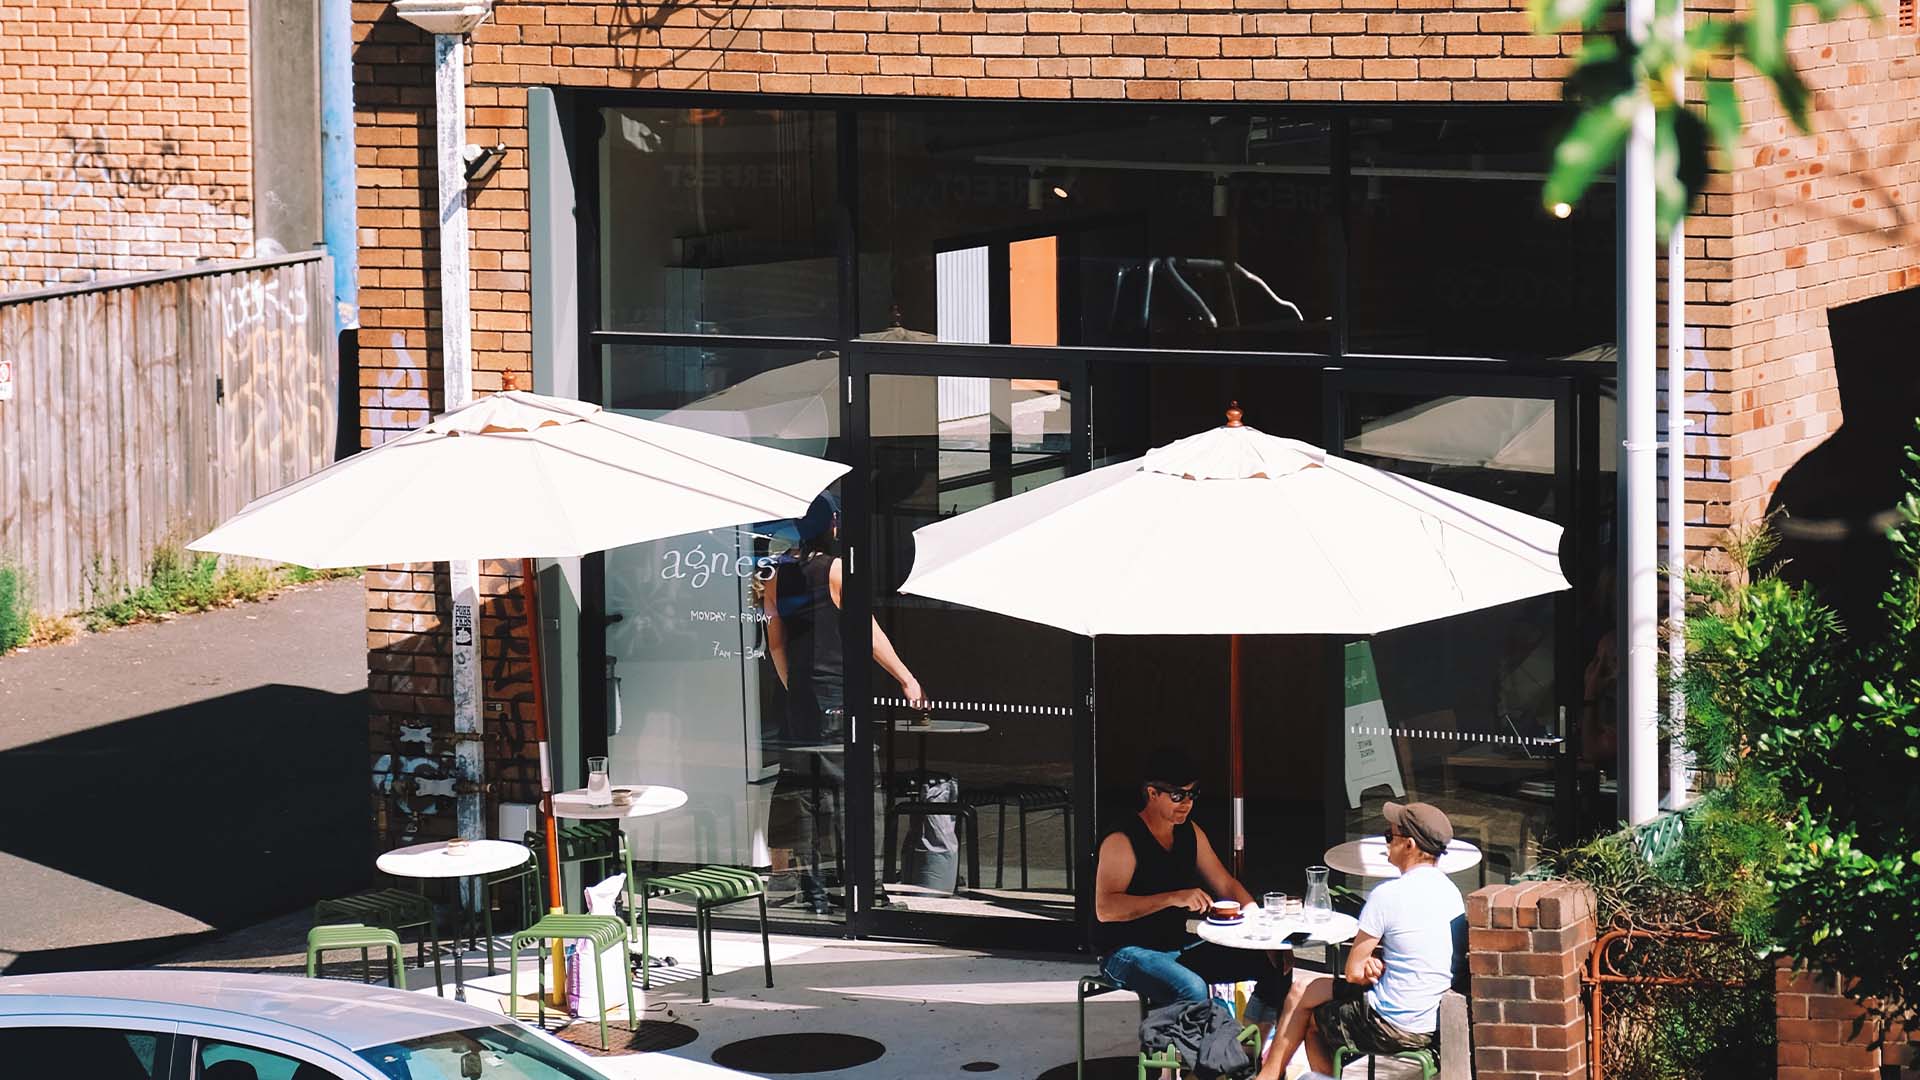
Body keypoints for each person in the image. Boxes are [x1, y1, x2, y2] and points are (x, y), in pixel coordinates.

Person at [763, 492, 925, 913]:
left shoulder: (776, 574)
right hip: (836, 695)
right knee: (856, 791)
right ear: (832, 525)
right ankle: (866, 892)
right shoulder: (836, 570)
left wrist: (796, 687)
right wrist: (906, 678)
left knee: (806, 793)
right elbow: (866, 631)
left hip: (799, 700)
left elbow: (775, 643)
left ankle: (813, 892)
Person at [1253, 802, 1466, 1080]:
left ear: (1410, 845)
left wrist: (1373, 966)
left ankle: (1278, 1076)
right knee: (1303, 988)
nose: (1386, 843)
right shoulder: (1452, 893)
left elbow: (1354, 973)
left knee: (1313, 1020)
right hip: (1432, 1020)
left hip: (1393, 1025)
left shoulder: (1387, 895)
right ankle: (1269, 1075)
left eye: (1390, 837)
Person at [1094, 750, 1291, 1038]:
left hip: (1174, 944)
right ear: (1152, 793)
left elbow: (1226, 884)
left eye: (1193, 794)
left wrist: (1259, 925)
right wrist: (1173, 897)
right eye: (1177, 795)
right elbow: (1105, 908)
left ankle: (1249, 1047)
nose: (1186, 803)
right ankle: (1198, 1067)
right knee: (1192, 988)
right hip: (1123, 950)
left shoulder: (1189, 833)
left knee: (1276, 961)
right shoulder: (1123, 840)